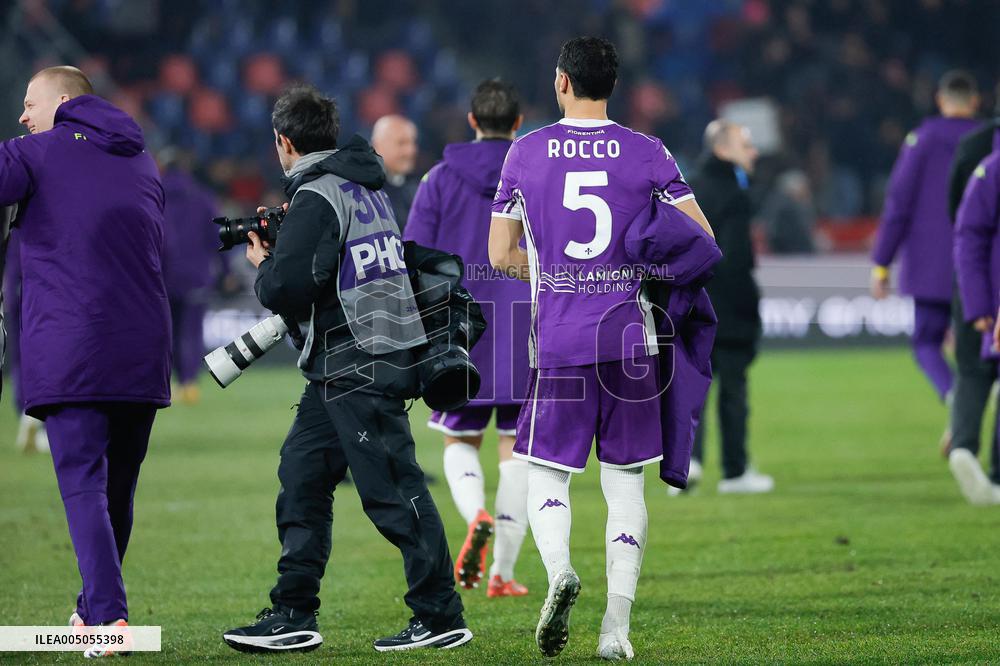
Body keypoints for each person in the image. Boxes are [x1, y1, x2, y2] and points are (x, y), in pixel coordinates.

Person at [222, 85, 471, 654]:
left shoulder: (317, 194)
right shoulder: (362, 185)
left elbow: (289, 287)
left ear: (284, 141)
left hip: (358, 358)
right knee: (303, 475)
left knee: (393, 490)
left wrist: (263, 263)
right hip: (349, 360)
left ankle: (439, 613)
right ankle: (293, 611)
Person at [489, 37, 713, 660]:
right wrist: (638, 270)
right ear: (612, 85)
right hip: (628, 341)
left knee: (547, 471)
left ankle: (559, 570)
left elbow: (498, 254)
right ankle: (616, 628)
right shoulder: (649, 152)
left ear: (562, 81)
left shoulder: (525, 152)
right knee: (625, 485)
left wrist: (553, 276)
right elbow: (700, 238)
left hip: (560, 340)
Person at [0, 66, 171, 657]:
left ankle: (109, 620)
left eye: (30, 103)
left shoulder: (36, 152)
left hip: (73, 345)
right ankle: (90, 612)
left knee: (82, 486)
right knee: (117, 489)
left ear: (64, 101)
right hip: (143, 347)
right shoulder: (142, 159)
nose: (22, 115)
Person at [405, 79, 532, 597]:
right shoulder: (535, 173)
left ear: (473, 121)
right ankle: (502, 572)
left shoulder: (439, 179)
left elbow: (415, 255)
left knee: (459, 439)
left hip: (461, 330)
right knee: (518, 451)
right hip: (526, 327)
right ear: (518, 123)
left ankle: (475, 512)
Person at [870, 70, 981, 410]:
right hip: (982, 263)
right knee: (983, 345)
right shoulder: (989, 141)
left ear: (940, 100)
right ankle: (974, 403)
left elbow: (898, 204)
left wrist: (881, 263)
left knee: (927, 343)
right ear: (975, 101)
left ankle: (955, 401)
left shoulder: (922, 140)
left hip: (932, 264)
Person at [681, 120, 774, 495]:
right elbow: (734, 260)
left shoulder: (686, 187)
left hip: (690, 306)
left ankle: (687, 463)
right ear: (722, 150)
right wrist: (748, 310)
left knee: (692, 390)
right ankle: (735, 472)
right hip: (728, 309)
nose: (753, 152)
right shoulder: (736, 193)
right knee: (733, 391)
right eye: (745, 145)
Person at [945, 87, 1000, 461]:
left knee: (971, 368)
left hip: (975, 276)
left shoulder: (975, 149)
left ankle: (963, 441)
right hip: (983, 279)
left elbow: (959, 219)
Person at [952, 137, 1000, 505]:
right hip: (987, 296)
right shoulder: (990, 165)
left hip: (982, 293)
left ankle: (963, 444)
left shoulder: (984, 161)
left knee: (972, 372)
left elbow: (967, 233)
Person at [159, 149, 224, 404]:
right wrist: (226, 271)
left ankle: (172, 382)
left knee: (168, 333)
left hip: (163, 278)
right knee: (192, 333)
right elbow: (217, 238)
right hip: (197, 277)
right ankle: (190, 383)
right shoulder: (202, 198)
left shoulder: (153, 197)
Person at [371, 114, 419, 232]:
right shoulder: (362, 191)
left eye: (412, 142)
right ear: (377, 146)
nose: (410, 151)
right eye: (401, 143)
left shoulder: (417, 186)